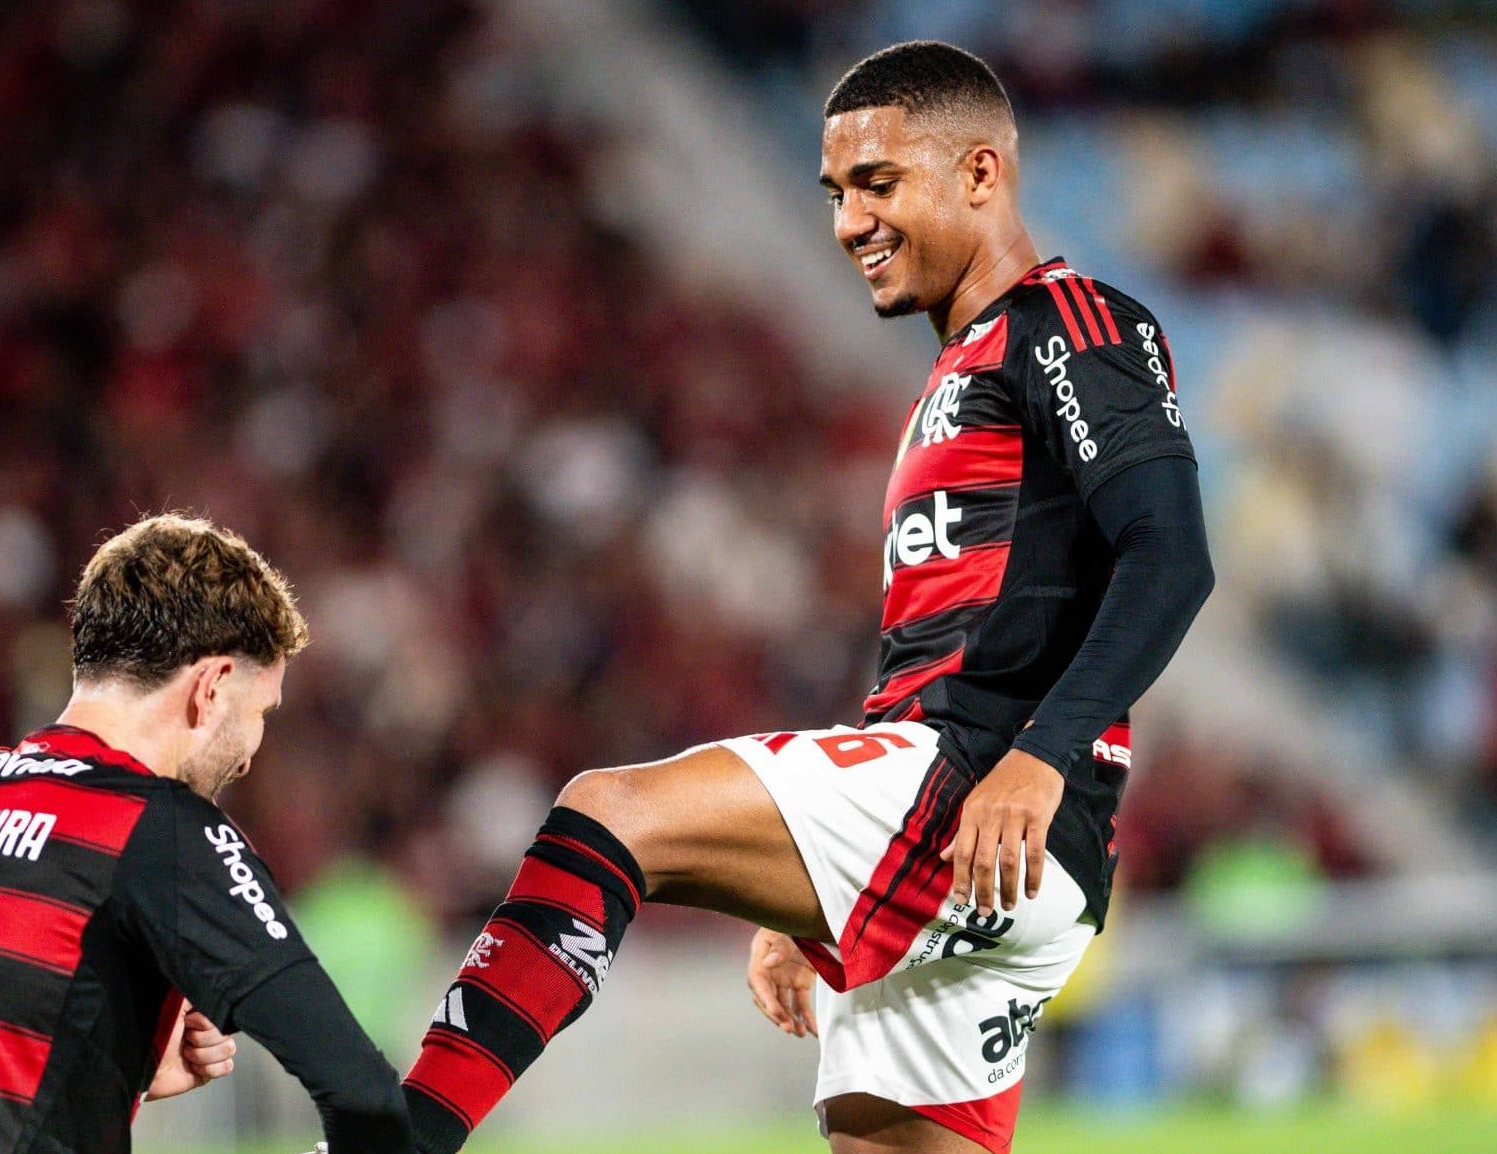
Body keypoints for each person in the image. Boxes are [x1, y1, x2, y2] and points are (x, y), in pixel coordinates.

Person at [400, 40, 1214, 1154]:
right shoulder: (959, 369)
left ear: (980, 174)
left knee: (612, 812)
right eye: (835, 193)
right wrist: (797, 898)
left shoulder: (1068, 323)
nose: (847, 224)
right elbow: (954, 647)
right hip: (983, 833)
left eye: (877, 184)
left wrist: (1040, 755)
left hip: (985, 793)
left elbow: (1168, 555)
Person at [0, 515, 411, 1154]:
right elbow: (367, 1099)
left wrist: (116, 1062)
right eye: (260, 713)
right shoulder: (151, 825)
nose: (250, 755)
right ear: (213, 685)